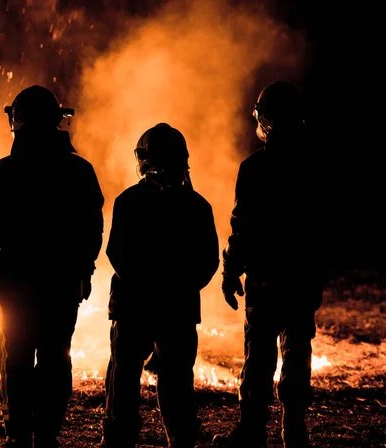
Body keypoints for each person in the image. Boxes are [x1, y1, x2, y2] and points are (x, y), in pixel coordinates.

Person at [212, 81, 327, 448]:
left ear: (267, 119)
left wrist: (231, 271)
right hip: (302, 278)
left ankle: (252, 431)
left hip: (265, 280)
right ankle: (295, 431)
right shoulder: (314, 166)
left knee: (259, 356)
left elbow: (242, 226)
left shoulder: (255, 168)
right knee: (297, 350)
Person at [0, 85, 104, 448]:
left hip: (15, 283)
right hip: (61, 283)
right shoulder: (79, 171)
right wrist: (84, 271)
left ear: (16, 121)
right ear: (58, 120)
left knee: (17, 356)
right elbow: (91, 229)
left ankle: (19, 433)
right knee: (56, 355)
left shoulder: (1, 173)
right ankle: (47, 433)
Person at [100, 123, 220, 448]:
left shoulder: (128, 202)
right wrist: (179, 288)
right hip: (178, 309)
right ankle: (181, 441)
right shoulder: (197, 205)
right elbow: (208, 260)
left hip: (131, 306)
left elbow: (116, 253)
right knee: (177, 380)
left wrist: (143, 287)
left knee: (123, 380)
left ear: (143, 159)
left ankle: (118, 441)